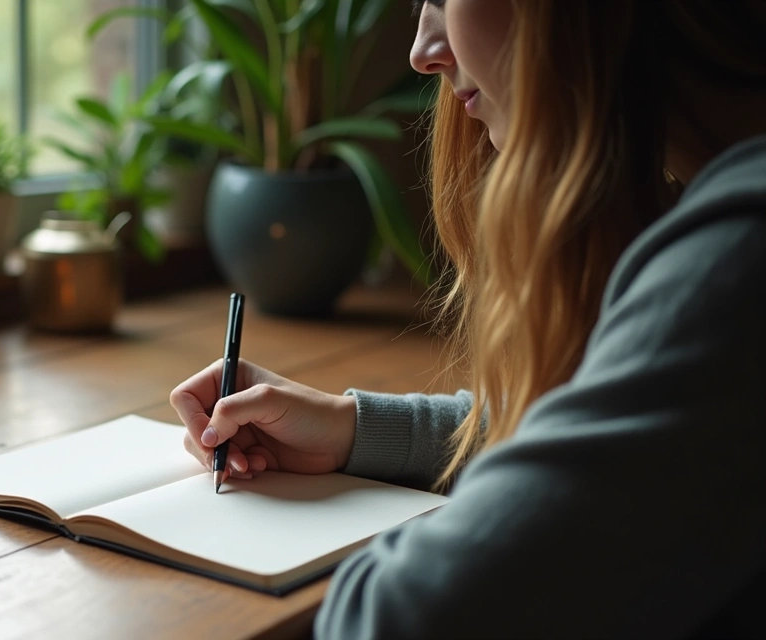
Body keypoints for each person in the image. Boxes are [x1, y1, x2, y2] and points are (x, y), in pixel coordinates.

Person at [169, 0, 766, 636]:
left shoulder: (739, 263)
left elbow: (403, 618)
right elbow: (616, 445)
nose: (423, 50)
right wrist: (355, 430)